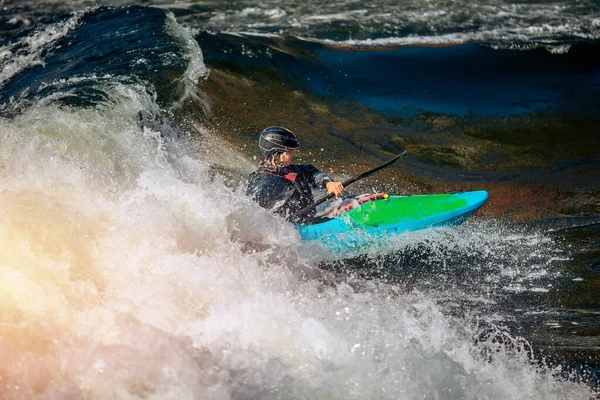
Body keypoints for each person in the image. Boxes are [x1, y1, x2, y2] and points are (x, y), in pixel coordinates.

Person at [246, 126, 344, 223]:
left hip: (309, 220)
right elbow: (252, 216)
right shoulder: (263, 184)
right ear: (276, 153)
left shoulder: (289, 170)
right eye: (290, 150)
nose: (294, 152)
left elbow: (311, 172)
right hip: (295, 231)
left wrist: (328, 183)